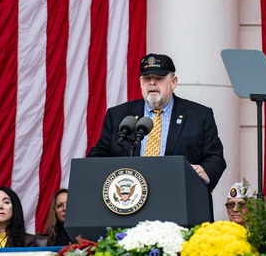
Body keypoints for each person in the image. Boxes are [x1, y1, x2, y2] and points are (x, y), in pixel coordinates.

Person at [88, 53, 226, 192]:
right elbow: (101, 152)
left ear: (173, 82)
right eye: (147, 79)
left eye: (159, 78)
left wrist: (204, 171)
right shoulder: (118, 115)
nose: (152, 83)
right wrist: (90, 167)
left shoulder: (199, 116)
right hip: (130, 198)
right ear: (141, 83)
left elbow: (215, 157)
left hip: (179, 197)